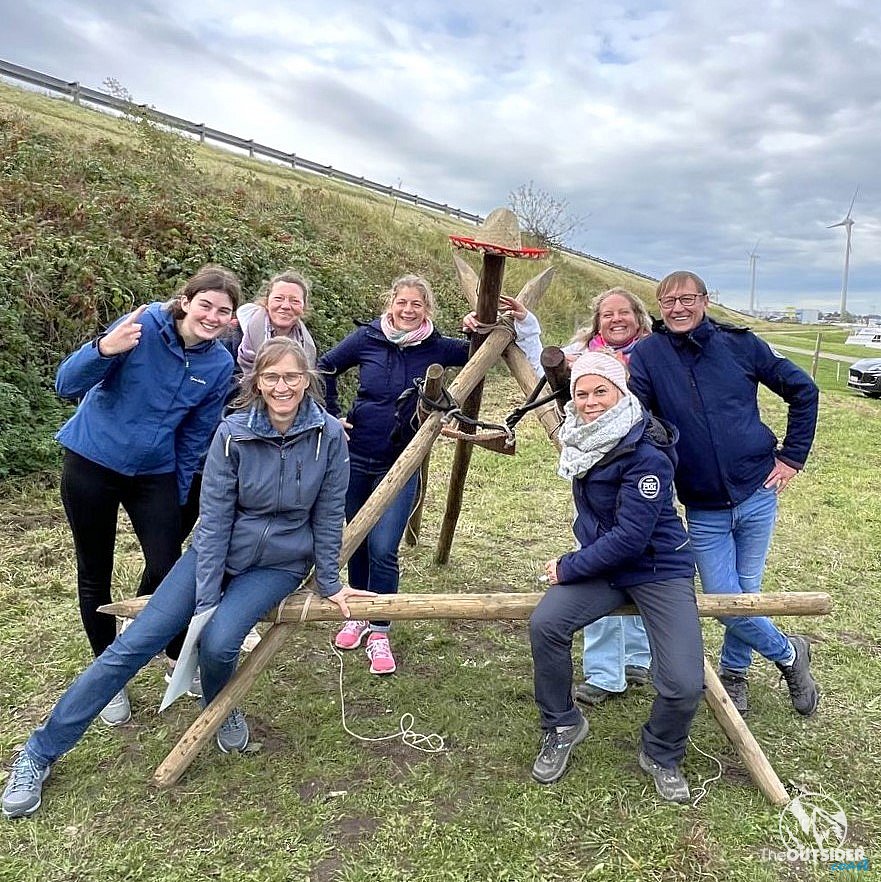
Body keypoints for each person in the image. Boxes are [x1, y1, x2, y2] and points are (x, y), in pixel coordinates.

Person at [3, 337, 369, 820]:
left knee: (219, 645)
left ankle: (220, 705)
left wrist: (329, 580)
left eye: (293, 377)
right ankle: (39, 752)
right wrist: (206, 590)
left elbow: (327, 514)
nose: (283, 387)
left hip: (278, 565)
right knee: (135, 644)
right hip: (213, 554)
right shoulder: (233, 434)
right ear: (256, 381)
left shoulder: (327, 436)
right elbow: (215, 518)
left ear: (308, 381)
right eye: (272, 377)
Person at [318, 274, 537, 674]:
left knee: (384, 546)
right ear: (391, 304)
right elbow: (325, 367)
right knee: (358, 538)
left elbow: (487, 352)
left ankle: (381, 627)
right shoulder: (368, 339)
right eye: (401, 302)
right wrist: (331, 414)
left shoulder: (438, 347)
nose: (407, 310)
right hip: (354, 456)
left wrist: (481, 325)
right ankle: (357, 614)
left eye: (416, 304)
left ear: (427, 310)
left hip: (401, 463)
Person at [628, 270, 820, 717]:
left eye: (687, 299)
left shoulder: (740, 344)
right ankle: (791, 653)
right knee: (723, 600)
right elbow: (633, 416)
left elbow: (804, 391)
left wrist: (792, 457)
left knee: (745, 592)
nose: (678, 308)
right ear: (659, 305)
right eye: (668, 300)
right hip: (703, 504)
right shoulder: (649, 355)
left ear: (705, 300)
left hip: (757, 491)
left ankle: (734, 674)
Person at [54, 265, 240, 725]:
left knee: (168, 567)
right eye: (206, 305)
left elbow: (197, 434)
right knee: (93, 572)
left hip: (154, 472)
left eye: (224, 311)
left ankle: (172, 652)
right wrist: (102, 348)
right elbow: (66, 384)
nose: (213, 317)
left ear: (233, 319)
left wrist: (177, 495)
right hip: (92, 462)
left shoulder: (218, 363)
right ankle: (107, 677)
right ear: (186, 300)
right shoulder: (140, 327)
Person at [529, 352, 704, 802]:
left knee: (684, 683)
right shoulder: (583, 438)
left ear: (621, 390)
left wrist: (568, 566)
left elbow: (631, 538)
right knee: (546, 624)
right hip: (605, 566)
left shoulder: (646, 451)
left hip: (657, 567)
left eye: (600, 391)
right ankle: (563, 723)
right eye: (581, 393)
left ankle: (661, 751)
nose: (589, 402)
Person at [562, 287, 655, 707]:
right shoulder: (582, 354)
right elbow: (538, 357)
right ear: (597, 322)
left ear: (638, 316)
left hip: (641, 460)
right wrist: (523, 323)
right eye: (606, 314)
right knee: (601, 551)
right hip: (598, 468)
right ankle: (604, 670)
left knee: (636, 557)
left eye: (624, 312)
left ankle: (634, 658)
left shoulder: (654, 353)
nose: (615, 320)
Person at [237, 270, 317, 374]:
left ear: (304, 307)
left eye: (295, 301)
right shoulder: (236, 333)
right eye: (278, 298)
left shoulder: (308, 348)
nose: (285, 306)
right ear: (266, 302)